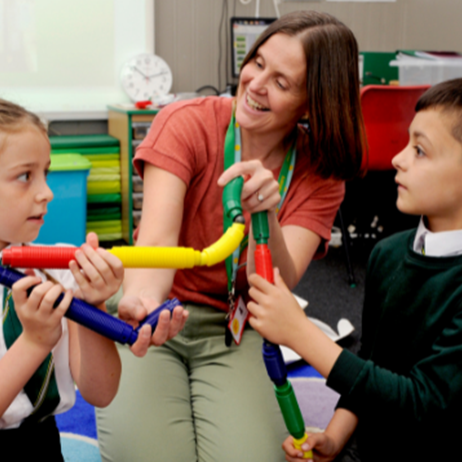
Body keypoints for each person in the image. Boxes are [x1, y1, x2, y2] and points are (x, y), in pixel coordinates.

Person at [95, 11, 364, 462]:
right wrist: (140, 305)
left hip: (235, 329)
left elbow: (281, 282)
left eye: (281, 82)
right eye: (257, 63)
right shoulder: (186, 121)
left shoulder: (321, 170)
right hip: (157, 310)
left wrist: (269, 215)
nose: (255, 83)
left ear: (312, 103)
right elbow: (156, 243)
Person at [246, 78, 462, 462]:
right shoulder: (388, 255)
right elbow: (373, 364)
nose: (397, 159)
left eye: (420, 151)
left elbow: (425, 403)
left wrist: (300, 333)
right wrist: (335, 436)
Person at [0, 98, 185, 461]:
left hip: (40, 439)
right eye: (25, 176)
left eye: (45, 173)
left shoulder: (55, 267)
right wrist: (35, 342)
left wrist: (93, 305)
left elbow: (100, 393)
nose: (47, 192)